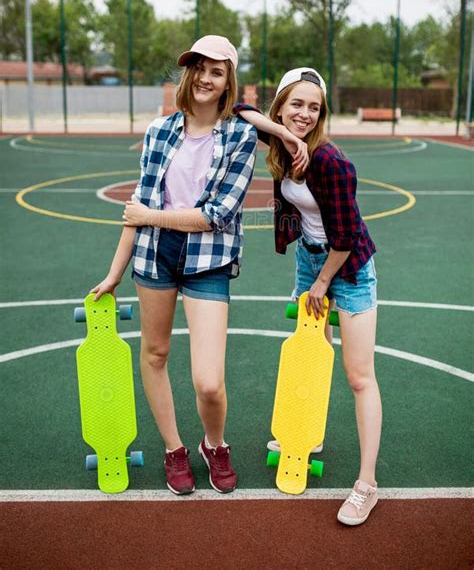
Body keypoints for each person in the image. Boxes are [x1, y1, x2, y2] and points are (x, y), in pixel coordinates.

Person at [90, 36, 308, 496]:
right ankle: (174, 449)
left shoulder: (241, 134)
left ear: (229, 81)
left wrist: (150, 216)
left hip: (208, 258)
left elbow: (216, 215)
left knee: (209, 382)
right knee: (155, 354)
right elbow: (138, 208)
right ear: (188, 74)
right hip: (154, 255)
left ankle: (214, 444)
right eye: (199, 69)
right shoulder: (159, 131)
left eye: (217, 71)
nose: (206, 78)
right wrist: (114, 273)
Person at [234, 67, 381, 525]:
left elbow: (346, 235)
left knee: (359, 376)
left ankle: (367, 485)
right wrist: (283, 133)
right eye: (296, 104)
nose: (305, 114)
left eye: (313, 107)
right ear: (280, 106)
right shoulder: (282, 143)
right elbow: (238, 110)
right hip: (310, 259)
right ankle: (308, 435)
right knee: (313, 355)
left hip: (348, 267)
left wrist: (322, 284)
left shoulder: (332, 162)